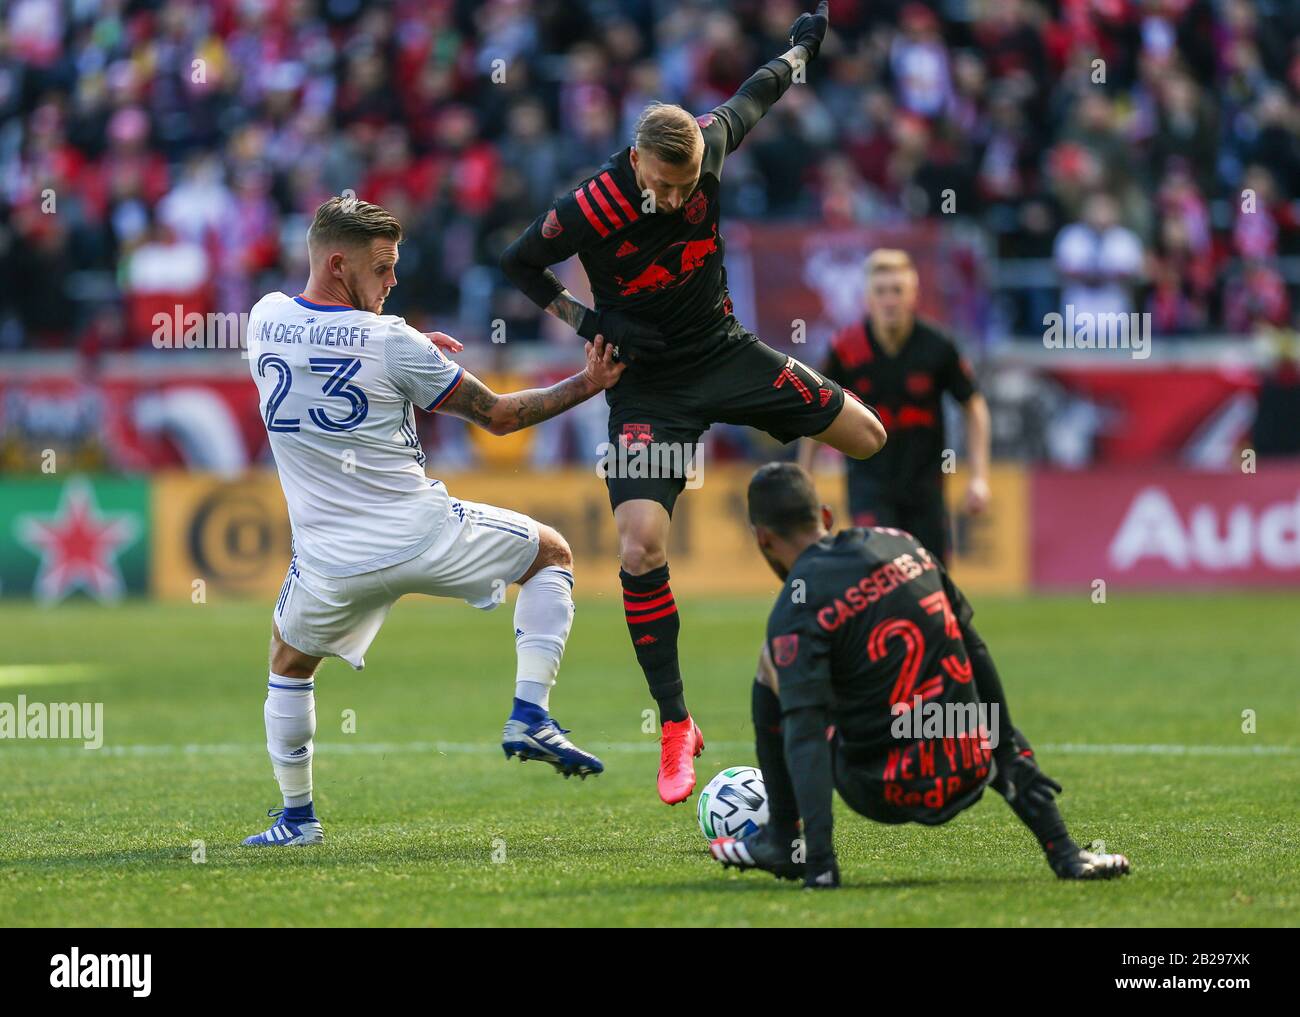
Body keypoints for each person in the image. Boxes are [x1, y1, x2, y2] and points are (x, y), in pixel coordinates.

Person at [499, 2, 886, 805]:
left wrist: (802, 47)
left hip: (723, 350)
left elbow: (760, 92)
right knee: (640, 546)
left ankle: (839, 576)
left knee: (871, 437)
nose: (678, 198)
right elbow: (519, 262)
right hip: (649, 385)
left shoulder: (706, 149)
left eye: (688, 186)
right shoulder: (589, 206)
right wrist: (587, 321)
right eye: (665, 185)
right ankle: (676, 723)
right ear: (636, 160)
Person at [241, 196, 624, 846]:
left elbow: (326, 355)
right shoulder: (393, 340)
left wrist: (416, 356)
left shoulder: (264, 318)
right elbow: (500, 416)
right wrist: (588, 384)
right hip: (421, 534)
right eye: (383, 269)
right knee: (552, 554)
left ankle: (297, 818)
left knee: (288, 661)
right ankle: (530, 712)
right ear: (340, 264)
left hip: (328, 562)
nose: (393, 282)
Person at [710, 463, 1131, 887]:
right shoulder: (904, 546)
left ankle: (785, 839)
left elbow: (804, 734)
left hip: (882, 788)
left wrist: (819, 863)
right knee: (963, 696)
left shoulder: (794, 608)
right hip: (971, 767)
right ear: (824, 516)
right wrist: (1007, 754)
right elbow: (976, 652)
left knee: (774, 666)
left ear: (762, 538)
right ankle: (1066, 853)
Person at [798, 248, 990, 562]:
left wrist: (979, 478)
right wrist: (804, 481)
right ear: (867, 299)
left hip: (926, 489)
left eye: (897, 291)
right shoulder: (845, 349)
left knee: (930, 584)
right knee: (880, 574)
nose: (890, 300)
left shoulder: (938, 346)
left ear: (914, 296)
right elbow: (816, 414)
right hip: (869, 488)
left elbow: (974, 406)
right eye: (881, 291)